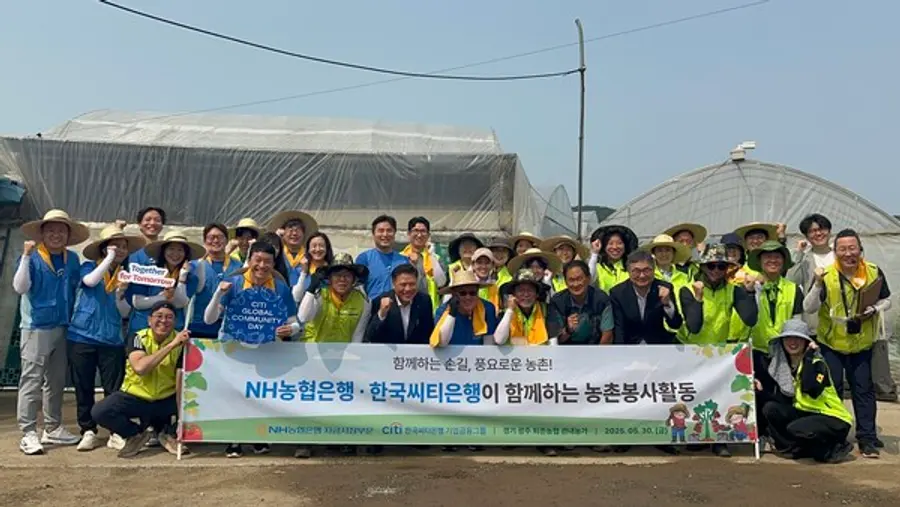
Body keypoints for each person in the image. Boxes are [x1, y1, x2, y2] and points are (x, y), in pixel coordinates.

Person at [204, 241, 300, 458]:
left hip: (266, 349)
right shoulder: (234, 283)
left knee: (259, 393)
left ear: (274, 264)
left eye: (267, 261)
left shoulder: (280, 288)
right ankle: (234, 440)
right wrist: (218, 293)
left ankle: (257, 435)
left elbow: (295, 322)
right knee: (234, 393)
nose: (262, 266)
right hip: (233, 347)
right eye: (257, 260)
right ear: (249, 261)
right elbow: (209, 319)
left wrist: (291, 329)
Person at [803, 229, 890, 458]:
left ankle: (867, 438)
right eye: (842, 249)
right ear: (835, 252)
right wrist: (817, 284)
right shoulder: (826, 275)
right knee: (833, 392)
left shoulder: (873, 271)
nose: (848, 253)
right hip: (831, 343)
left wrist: (876, 309)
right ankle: (836, 436)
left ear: (861, 249)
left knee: (864, 391)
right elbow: (808, 308)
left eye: (852, 248)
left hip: (861, 344)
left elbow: (886, 299)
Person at [13, 209, 90, 454]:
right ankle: (28, 432)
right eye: (51, 230)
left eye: (61, 231)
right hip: (36, 327)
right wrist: (26, 257)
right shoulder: (32, 256)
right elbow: (20, 287)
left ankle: (53, 427)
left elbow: (80, 287)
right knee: (32, 379)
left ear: (68, 235)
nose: (56, 235)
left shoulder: (73, 259)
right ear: (42, 233)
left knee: (56, 380)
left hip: (63, 326)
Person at [68, 224, 146, 452]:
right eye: (114, 246)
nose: (120, 250)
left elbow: (124, 311)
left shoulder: (126, 274)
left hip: (111, 338)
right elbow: (90, 281)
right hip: (82, 335)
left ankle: (115, 431)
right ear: (103, 248)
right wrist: (109, 258)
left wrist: (121, 293)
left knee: (113, 388)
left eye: (123, 247)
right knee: (83, 386)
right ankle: (88, 430)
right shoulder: (88, 266)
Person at [678, 244, 758, 458]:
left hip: (720, 353)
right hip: (692, 351)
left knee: (719, 396)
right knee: (695, 395)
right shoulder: (687, 290)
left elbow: (750, 318)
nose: (716, 271)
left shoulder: (734, 290)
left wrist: (749, 292)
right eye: (711, 266)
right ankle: (696, 436)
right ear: (703, 267)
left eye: (721, 266)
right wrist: (698, 298)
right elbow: (694, 325)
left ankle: (719, 440)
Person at [91, 301, 189, 458]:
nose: (163, 321)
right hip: (137, 396)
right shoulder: (137, 337)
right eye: (159, 316)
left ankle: (167, 434)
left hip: (166, 397)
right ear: (149, 320)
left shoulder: (183, 343)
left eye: (169, 317)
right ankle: (136, 434)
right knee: (100, 412)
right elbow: (140, 368)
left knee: (194, 401)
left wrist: (180, 416)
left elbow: (180, 380)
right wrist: (171, 345)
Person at [761, 320, 854, 463]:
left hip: (833, 418)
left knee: (796, 428)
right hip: (806, 413)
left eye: (798, 338)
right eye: (788, 338)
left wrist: (809, 356)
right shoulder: (783, 367)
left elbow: (809, 388)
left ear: (806, 342)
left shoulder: (818, 363)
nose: (792, 342)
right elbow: (782, 399)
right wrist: (760, 389)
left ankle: (833, 448)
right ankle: (796, 449)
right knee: (771, 409)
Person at [125, 230, 204, 335]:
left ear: (186, 254)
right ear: (163, 251)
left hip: (173, 331)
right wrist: (163, 297)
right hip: (143, 329)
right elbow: (138, 302)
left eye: (180, 250)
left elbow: (180, 303)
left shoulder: (191, 277)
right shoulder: (147, 271)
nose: (175, 254)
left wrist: (182, 278)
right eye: (171, 249)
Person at [609, 251, 682, 345]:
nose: (642, 275)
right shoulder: (617, 293)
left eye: (646, 270)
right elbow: (619, 329)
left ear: (654, 270)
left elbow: (675, 324)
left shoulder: (665, 288)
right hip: (630, 345)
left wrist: (667, 304)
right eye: (636, 271)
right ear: (629, 272)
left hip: (658, 345)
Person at [188, 224, 245, 339]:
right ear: (204, 241)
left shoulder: (238, 266)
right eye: (211, 237)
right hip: (198, 326)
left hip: (228, 328)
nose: (215, 240)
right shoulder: (195, 265)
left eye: (220, 237)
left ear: (227, 240)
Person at [547, 260, 614, 346]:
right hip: (567, 350)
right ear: (566, 282)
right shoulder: (557, 301)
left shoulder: (601, 299)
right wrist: (568, 330)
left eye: (579, 279)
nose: (575, 284)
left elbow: (607, 335)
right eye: (571, 280)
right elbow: (556, 340)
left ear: (588, 279)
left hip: (596, 348)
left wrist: (598, 353)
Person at [365, 263, 435, 344]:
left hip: (415, 350)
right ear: (393, 284)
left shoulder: (424, 301)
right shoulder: (380, 301)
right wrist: (381, 314)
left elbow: (428, 334)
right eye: (403, 285)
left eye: (412, 284)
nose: (408, 289)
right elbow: (370, 337)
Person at [788, 213, 833, 335]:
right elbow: (792, 281)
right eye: (812, 231)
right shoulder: (805, 259)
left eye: (822, 229)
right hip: (815, 324)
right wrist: (799, 252)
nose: (818, 234)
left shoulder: (840, 256)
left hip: (839, 323)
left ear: (829, 231)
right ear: (806, 237)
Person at [431, 270, 499, 347]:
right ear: (454, 295)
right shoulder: (442, 311)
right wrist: (452, 313)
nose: (468, 297)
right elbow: (442, 342)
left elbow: (488, 344)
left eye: (472, 293)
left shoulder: (487, 308)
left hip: (478, 354)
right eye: (462, 293)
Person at [355, 215, 410, 298]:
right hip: (372, 305)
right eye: (381, 231)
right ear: (373, 234)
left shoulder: (403, 261)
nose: (385, 234)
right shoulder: (364, 258)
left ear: (394, 233)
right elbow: (358, 288)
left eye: (389, 231)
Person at [494, 269, 551, 347]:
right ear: (513, 294)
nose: (526, 294)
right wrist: (510, 310)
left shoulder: (546, 310)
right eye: (521, 290)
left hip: (541, 353)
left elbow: (553, 340)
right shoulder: (505, 313)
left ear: (537, 294)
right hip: (513, 354)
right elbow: (499, 340)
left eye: (530, 290)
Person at [401, 216, 446, 309]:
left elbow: (441, 283)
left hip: (430, 309)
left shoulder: (436, 258)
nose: (419, 235)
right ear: (409, 234)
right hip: (406, 308)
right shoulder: (400, 258)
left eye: (423, 231)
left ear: (428, 235)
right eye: (416, 231)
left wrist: (432, 256)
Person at [266, 210, 318, 287]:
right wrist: (277, 237)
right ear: (283, 233)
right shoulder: (277, 253)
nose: (294, 234)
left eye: (298, 230)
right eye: (290, 230)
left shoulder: (310, 255)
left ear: (304, 234)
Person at [588, 225, 638, 293]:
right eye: (610, 243)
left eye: (619, 243)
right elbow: (588, 280)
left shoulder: (632, 266)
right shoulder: (597, 266)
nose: (615, 247)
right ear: (603, 247)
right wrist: (594, 253)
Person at [291, 232, 335, 303]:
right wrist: (303, 272)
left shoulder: (334, 270)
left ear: (327, 249)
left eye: (321, 246)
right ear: (308, 249)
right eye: (314, 246)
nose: (317, 249)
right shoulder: (298, 270)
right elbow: (295, 298)